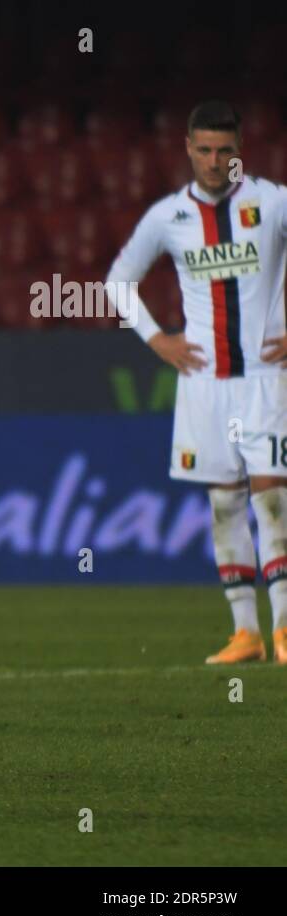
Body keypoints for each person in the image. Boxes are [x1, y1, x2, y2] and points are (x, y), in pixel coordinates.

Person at [107, 100, 287, 665]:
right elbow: (117, 283)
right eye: (204, 149)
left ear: (240, 152)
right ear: (188, 148)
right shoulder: (168, 217)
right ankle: (246, 635)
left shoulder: (272, 201)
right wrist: (157, 339)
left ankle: (284, 629)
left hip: (264, 376)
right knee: (225, 505)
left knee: (273, 500)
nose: (214, 161)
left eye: (225, 150)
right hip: (205, 383)